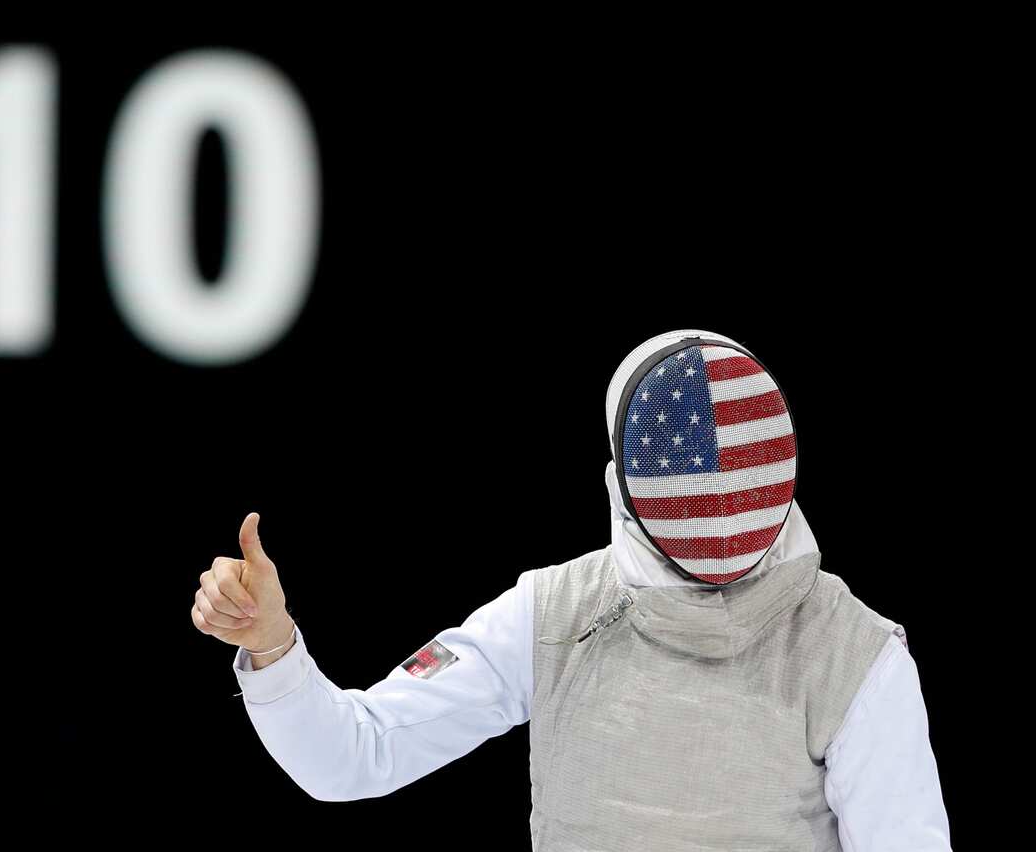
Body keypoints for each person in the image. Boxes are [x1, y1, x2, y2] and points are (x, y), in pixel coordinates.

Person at [191, 329, 951, 851]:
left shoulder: (852, 656)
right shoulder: (555, 618)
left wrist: (275, 650)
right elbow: (353, 756)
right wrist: (272, 646)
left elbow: (349, 758)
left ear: (621, 480)